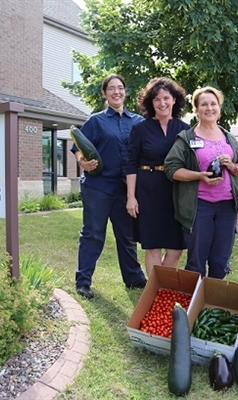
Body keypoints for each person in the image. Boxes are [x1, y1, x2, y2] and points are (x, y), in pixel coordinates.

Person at [72, 74, 147, 299]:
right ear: (104, 93)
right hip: (98, 186)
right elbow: (78, 147)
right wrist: (82, 162)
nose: (117, 92)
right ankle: (83, 281)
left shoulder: (138, 122)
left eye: (120, 88)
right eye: (111, 88)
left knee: (127, 235)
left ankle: (133, 277)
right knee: (93, 234)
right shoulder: (96, 121)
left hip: (126, 189)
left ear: (125, 92)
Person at [164, 86, 238, 278]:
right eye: (204, 105)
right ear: (196, 110)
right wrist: (199, 176)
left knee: (220, 260)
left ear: (219, 108)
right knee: (197, 260)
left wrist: (233, 167)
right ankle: (194, 305)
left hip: (227, 207)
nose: (209, 108)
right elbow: (171, 169)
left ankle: (212, 304)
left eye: (213, 104)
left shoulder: (229, 137)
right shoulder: (187, 138)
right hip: (199, 207)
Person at [125, 77, 190, 276]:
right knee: (152, 245)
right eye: (157, 99)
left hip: (175, 191)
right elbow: (130, 164)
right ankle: (155, 290)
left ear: (174, 100)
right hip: (148, 190)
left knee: (176, 247)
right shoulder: (140, 129)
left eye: (166, 98)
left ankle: (162, 283)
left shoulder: (185, 130)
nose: (162, 103)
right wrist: (131, 197)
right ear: (150, 103)